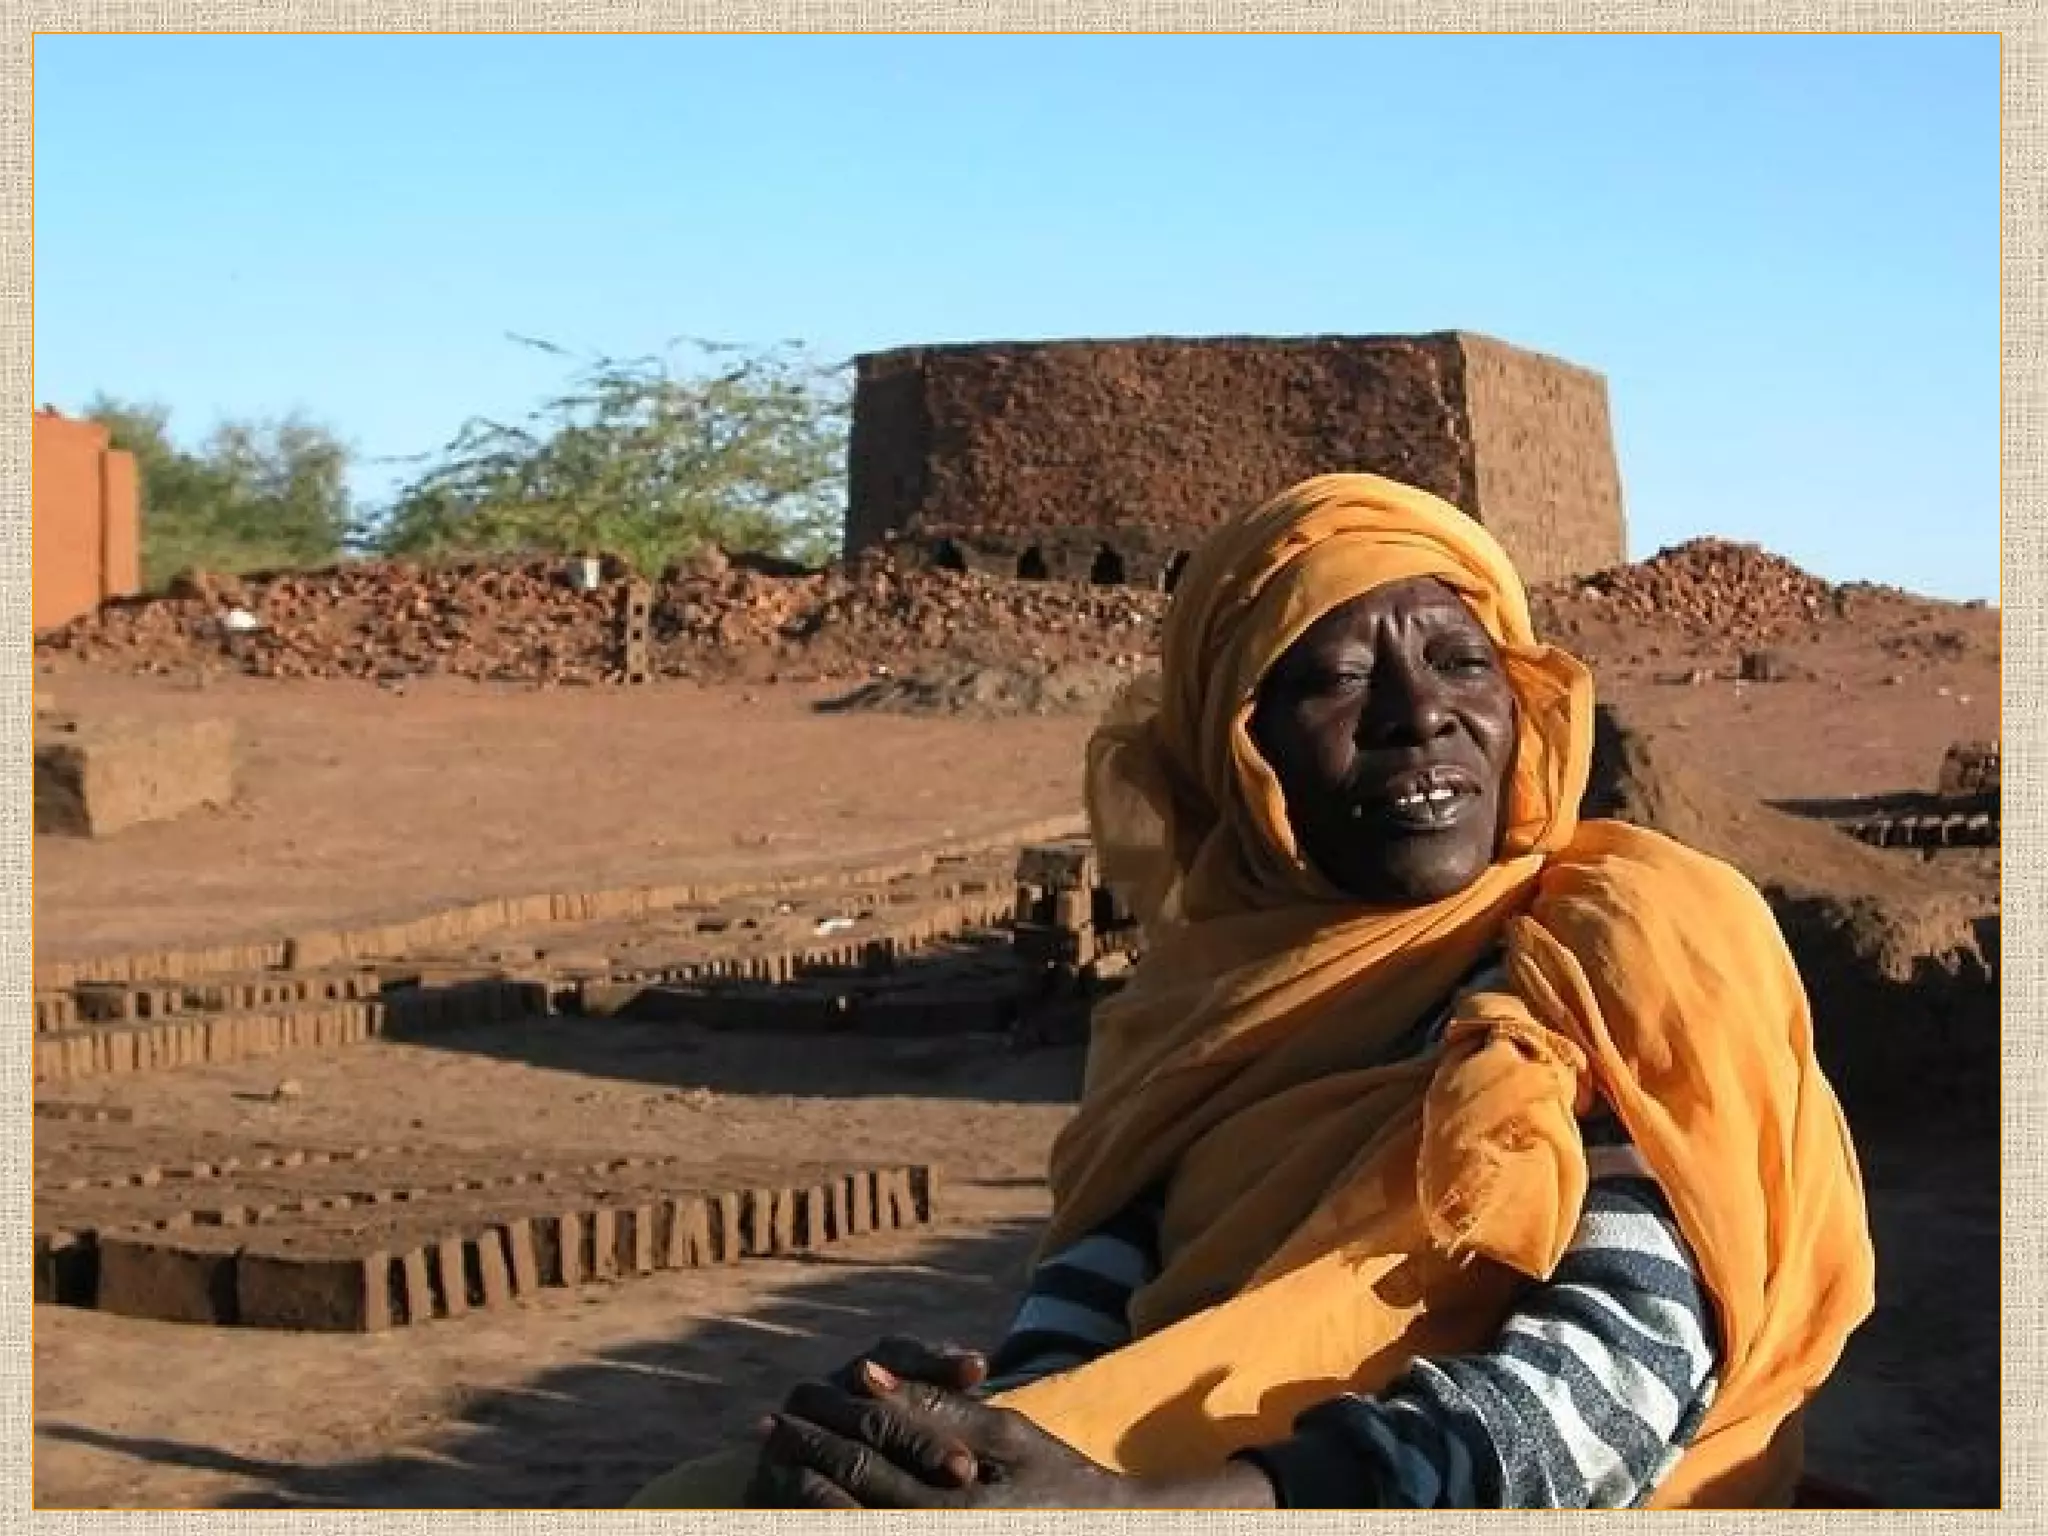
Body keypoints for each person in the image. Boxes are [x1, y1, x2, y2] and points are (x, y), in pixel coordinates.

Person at [631, 472, 1876, 1510]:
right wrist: (974, 1428)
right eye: (1335, 679)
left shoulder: (1624, 943)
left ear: (1525, 703)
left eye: (1458, 659)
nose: (1418, 716)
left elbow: (1620, 1375)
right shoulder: (1202, 1003)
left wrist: (1173, 1510)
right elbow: (1101, 1294)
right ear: (1241, 752)